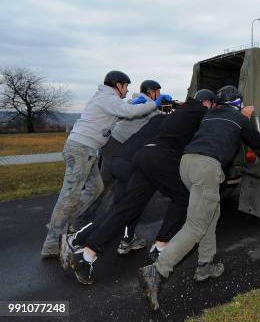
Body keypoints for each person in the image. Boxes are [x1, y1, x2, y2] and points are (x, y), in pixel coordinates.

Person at [60, 89, 218, 284]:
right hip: (159, 158)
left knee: (127, 207)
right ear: (208, 103)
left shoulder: (176, 113)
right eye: (213, 105)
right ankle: (161, 246)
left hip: (141, 157)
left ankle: (87, 254)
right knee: (184, 196)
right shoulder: (200, 111)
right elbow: (215, 122)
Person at [138, 85, 260, 311]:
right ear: (238, 103)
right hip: (207, 167)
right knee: (196, 225)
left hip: (186, 163)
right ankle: (158, 270)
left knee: (211, 213)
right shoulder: (239, 117)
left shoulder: (210, 114)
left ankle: (205, 265)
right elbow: (257, 142)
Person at [41, 71, 164, 258]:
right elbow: (128, 112)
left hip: (88, 150)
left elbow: (124, 111)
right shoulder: (107, 96)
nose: (127, 90)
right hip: (81, 148)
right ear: (118, 85)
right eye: (126, 86)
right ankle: (52, 243)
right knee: (69, 196)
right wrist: (153, 104)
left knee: (96, 188)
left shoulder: (108, 98)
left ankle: (66, 223)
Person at [74, 80, 168, 254]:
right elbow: (149, 114)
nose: (160, 95)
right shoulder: (144, 104)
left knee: (116, 191)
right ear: (152, 92)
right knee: (105, 190)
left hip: (118, 148)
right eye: (158, 92)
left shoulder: (144, 104)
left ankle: (120, 235)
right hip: (117, 148)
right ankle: (81, 225)